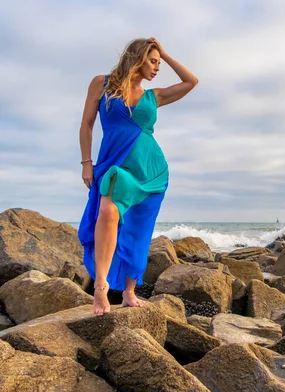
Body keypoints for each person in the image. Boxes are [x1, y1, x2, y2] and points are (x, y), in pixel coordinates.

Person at [78, 37, 198, 316]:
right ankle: (101, 287)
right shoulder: (102, 83)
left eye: (159, 63)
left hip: (152, 170)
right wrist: (86, 162)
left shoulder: (153, 96)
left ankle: (129, 292)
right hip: (116, 165)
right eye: (153, 61)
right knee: (107, 214)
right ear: (137, 57)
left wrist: (165, 54)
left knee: (138, 229)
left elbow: (191, 81)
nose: (157, 68)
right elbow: (86, 125)